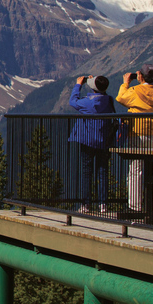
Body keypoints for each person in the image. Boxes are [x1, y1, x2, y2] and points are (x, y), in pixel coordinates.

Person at [116, 64, 153, 212]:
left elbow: (121, 98)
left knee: (136, 169)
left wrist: (126, 83)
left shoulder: (135, 90)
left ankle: (135, 206)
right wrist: (142, 82)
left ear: (140, 76)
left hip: (136, 131)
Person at [69, 75, 115, 213]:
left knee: (86, 172)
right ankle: (103, 204)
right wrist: (94, 83)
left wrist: (78, 85)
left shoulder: (87, 103)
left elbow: (73, 101)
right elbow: (102, 96)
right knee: (103, 172)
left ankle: (86, 204)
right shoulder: (108, 101)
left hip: (88, 140)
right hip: (104, 140)